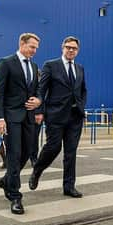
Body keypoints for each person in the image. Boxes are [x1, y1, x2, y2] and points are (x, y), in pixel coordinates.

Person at [29, 36, 87, 197]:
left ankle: (69, 186)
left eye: (74, 48)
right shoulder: (51, 65)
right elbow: (41, 89)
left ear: (77, 51)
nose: (71, 50)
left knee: (71, 152)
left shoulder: (80, 68)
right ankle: (37, 169)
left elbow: (83, 90)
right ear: (62, 48)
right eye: (68, 47)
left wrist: (82, 106)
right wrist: (39, 110)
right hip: (55, 115)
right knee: (53, 147)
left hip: (75, 116)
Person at [0, 33, 42, 215]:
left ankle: (7, 179)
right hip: (11, 117)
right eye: (32, 47)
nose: (34, 51)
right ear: (22, 43)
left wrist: (38, 101)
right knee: (14, 155)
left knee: (28, 151)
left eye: (36, 48)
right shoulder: (6, 63)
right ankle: (14, 195)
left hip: (29, 117)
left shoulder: (34, 66)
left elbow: (38, 90)